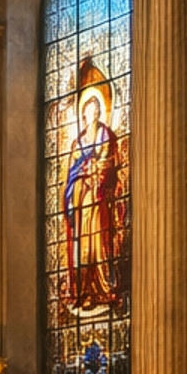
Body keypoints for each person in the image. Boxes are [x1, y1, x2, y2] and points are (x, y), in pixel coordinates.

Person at [62, 61, 125, 310]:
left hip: (99, 198)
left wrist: (96, 171)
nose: (94, 112)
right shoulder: (78, 142)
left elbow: (109, 162)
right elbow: (72, 172)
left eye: (97, 108)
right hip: (82, 199)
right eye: (90, 109)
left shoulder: (105, 135)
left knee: (99, 241)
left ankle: (104, 286)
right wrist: (82, 175)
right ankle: (83, 289)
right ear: (84, 115)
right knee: (82, 243)